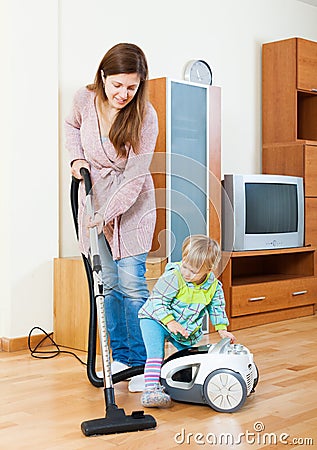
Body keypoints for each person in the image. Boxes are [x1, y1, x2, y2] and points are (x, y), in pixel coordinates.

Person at [65, 43, 158, 392]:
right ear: (103, 76)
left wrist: (105, 213)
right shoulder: (83, 99)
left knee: (132, 284)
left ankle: (143, 364)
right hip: (93, 199)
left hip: (133, 204)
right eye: (117, 85)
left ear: (140, 84)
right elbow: (71, 127)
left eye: (131, 87)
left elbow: (134, 177)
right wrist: (76, 160)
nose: (123, 94)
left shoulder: (145, 116)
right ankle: (120, 356)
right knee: (108, 285)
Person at [138, 234, 236, 407]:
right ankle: (152, 390)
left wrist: (222, 329)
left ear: (209, 269)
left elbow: (217, 307)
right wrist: (169, 322)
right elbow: (158, 300)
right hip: (155, 318)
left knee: (191, 356)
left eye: (193, 271)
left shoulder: (213, 286)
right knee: (156, 355)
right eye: (185, 265)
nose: (186, 273)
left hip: (182, 326)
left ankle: (190, 385)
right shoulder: (174, 277)